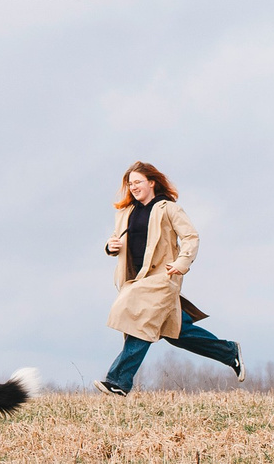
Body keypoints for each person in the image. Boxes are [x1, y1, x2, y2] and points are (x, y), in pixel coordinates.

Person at [99, 160, 243, 396]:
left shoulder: (168, 208)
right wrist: (110, 246)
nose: (133, 187)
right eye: (130, 184)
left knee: (141, 325)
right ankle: (228, 352)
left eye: (138, 182)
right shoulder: (126, 213)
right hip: (134, 280)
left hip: (161, 278)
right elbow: (116, 239)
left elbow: (191, 237)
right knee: (176, 332)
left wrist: (181, 263)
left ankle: (118, 381)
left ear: (152, 182)